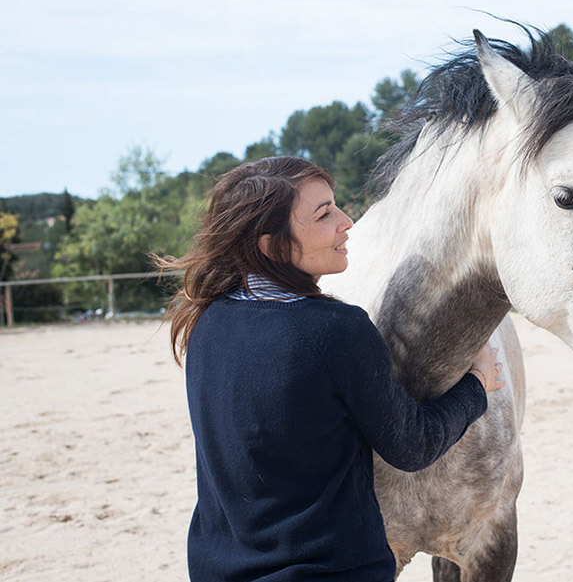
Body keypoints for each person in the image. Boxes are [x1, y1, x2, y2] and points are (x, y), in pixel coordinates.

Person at [156, 156, 504, 582]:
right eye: (324, 214)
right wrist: (477, 385)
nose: (347, 221)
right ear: (272, 247)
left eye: (336, 206)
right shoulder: (335, 331)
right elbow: (413, 446)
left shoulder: (206, 322)